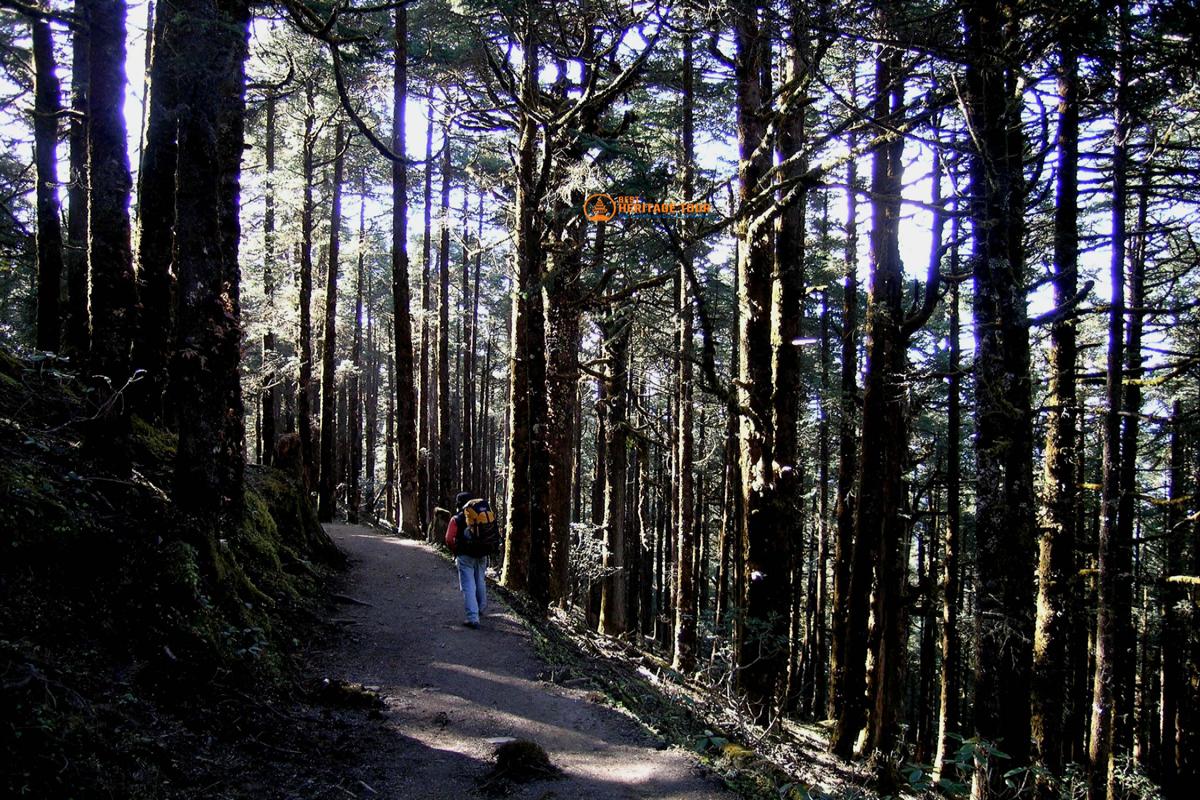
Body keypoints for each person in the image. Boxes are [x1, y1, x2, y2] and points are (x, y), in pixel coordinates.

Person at [445, 491, 487, 629]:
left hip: (465, 556)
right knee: (480, 580)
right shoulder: (480, 516)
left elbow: (449, 539)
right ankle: (481, 609)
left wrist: (455, 550)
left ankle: (473, 618)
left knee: (468, 585)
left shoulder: (456, 519)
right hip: (482, 554)